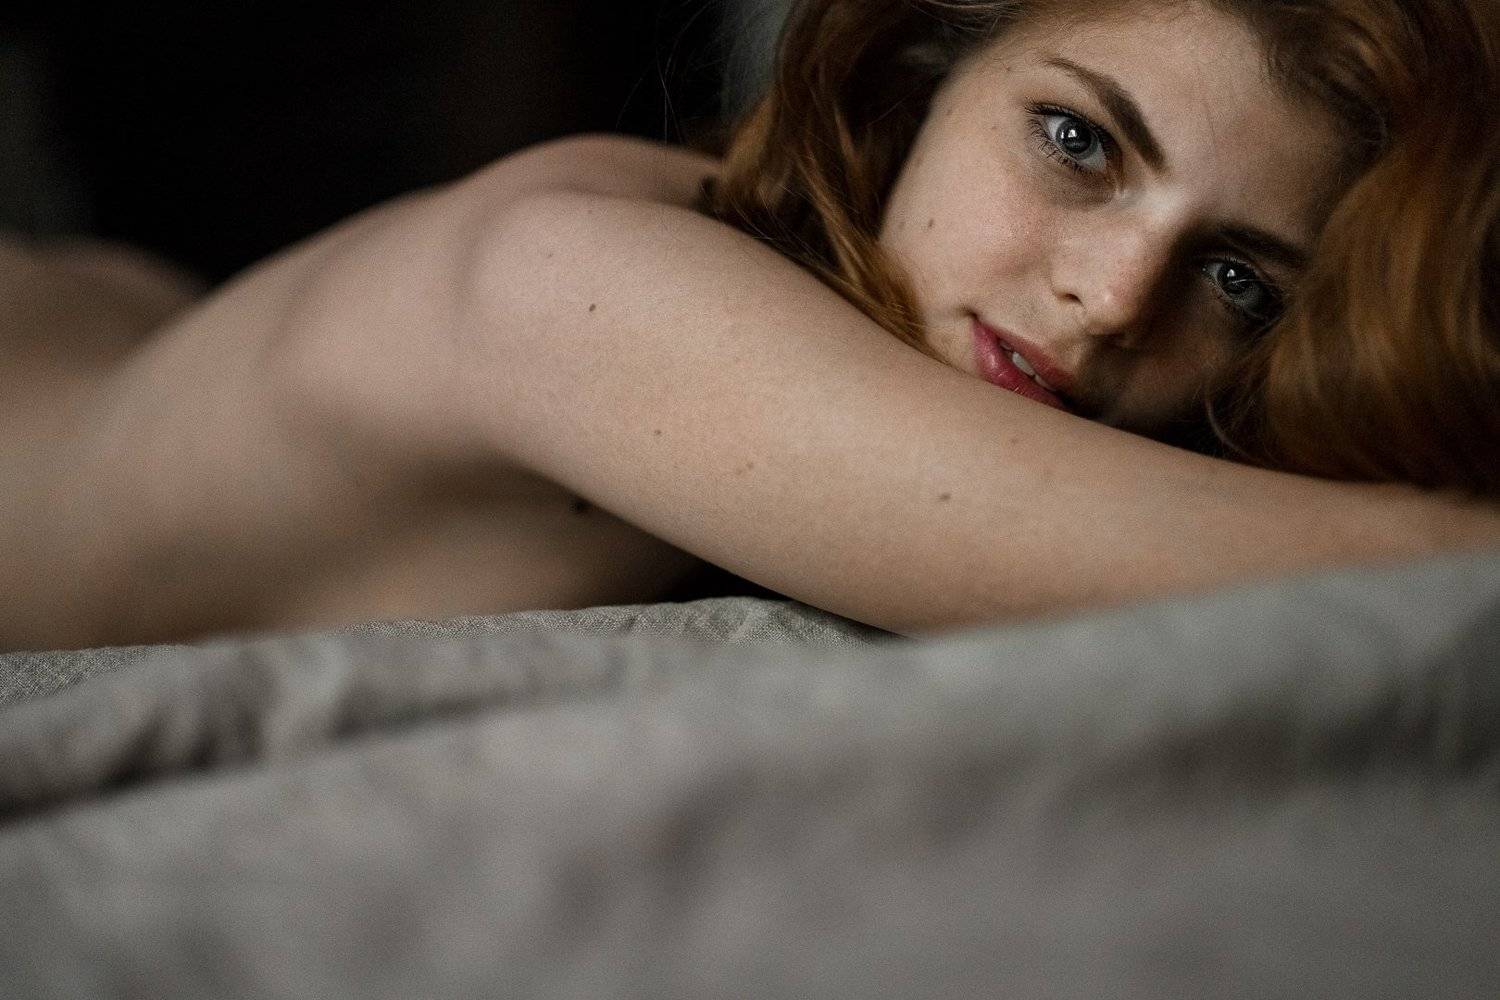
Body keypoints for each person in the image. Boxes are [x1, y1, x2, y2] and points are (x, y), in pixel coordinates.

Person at [2, 0, 1497, 652]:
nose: (1111, 303)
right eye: (1078, 144)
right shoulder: (594, 289)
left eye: (1238, 280)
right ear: (923, 71)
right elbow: (1419, 567)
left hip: (128, 322)